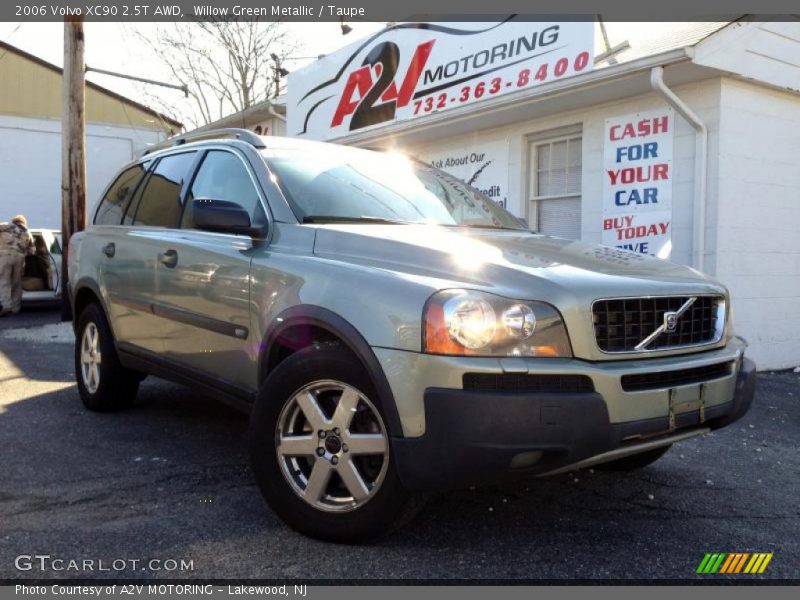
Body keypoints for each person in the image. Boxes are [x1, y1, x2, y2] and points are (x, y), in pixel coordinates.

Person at [0, 214, 35, 316]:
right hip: (20, 258)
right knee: (17, 283)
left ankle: (6, 306)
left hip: (4, 256)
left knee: (4, 281)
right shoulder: (27, 232)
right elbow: (32, 250)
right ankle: (16, 308)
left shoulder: (5, 226)